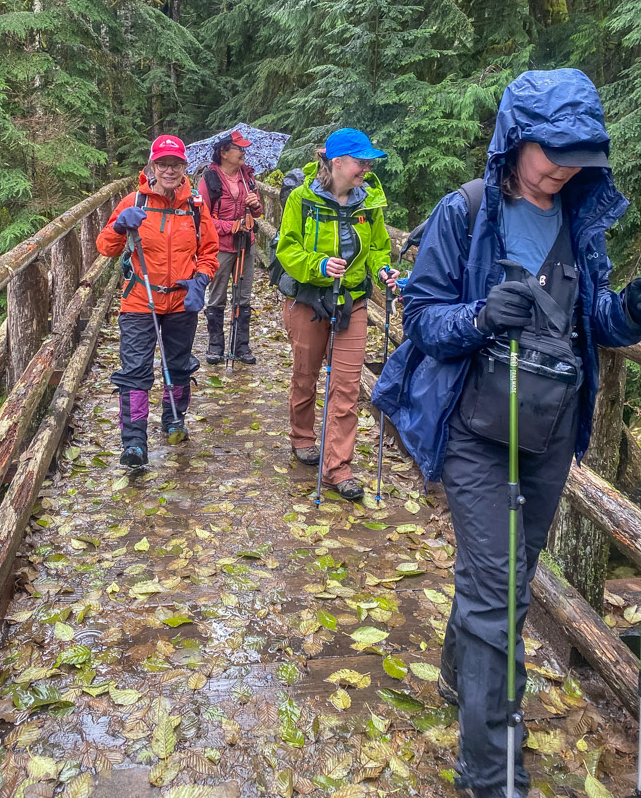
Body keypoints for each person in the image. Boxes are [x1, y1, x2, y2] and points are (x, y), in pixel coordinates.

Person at [373, 69, 641, 798]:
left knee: (510, 581)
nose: (564, 165)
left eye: (579, 152)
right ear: (514, 140)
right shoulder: (463, 214)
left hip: (551, 434)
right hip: (477, 431)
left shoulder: (579, 220)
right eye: (551, 149)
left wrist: (637, 303)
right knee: (497, 592)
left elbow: (601, 327)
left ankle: (463, 682)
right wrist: (482, 316)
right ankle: (491, 773)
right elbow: (425, 320)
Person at [275, 128, 397, 501]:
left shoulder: (369, 203)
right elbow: (286, 249)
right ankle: (302, 436)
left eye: (368, 161)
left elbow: (377, 248)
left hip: (352, 302)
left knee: (345, 387)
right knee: (306, 375)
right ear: (337, 162)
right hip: (309, 302)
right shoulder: (301, 199)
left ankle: (337, 468)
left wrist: (382, 271)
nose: (366, 167)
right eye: (360, 161)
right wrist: (319, 264)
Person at [96, 135, 219, 470]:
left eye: (175, 164)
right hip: (140, 301)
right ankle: (134, 442)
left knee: (178, 366)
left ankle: (174, 418)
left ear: (184, 167)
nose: (169, 170)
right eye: (162, 163)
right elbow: (105, 246)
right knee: (135, 372)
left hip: (181, 302)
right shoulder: (133, 201)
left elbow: (209, 253)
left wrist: (201, 281)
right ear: (151, 166)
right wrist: (121, 226)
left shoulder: (194, 206)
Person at [198, 128, 263, 365]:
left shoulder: (248, 178)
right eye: (239, 148)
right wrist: (231, 226)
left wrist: (254, 205)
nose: (244, 152)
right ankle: (216, 346)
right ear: (224, 152)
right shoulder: (210, 180)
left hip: (247, 243)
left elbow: (258, 211)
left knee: (243, 295)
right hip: (221, 246)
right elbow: (202, 218)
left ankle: (241, 346)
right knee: (217, 295)